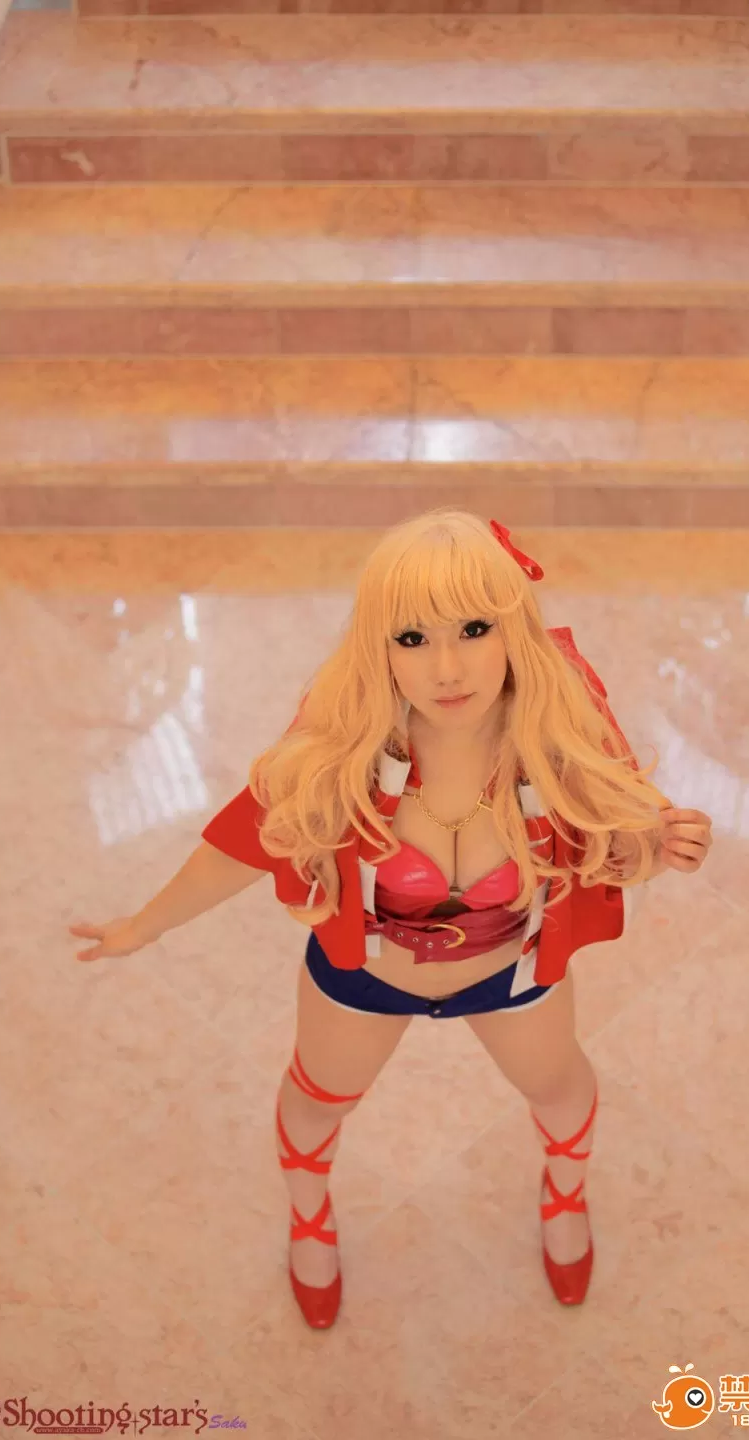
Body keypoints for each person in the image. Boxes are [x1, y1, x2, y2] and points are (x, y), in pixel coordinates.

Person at [67, 509, 713, 1332]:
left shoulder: (562, 732)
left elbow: (613, 851)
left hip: (512, 972)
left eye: (473, 629)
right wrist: (144, 925)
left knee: (560, 1087)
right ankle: (309, 1215)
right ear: (379, 646)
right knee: (316, 1100)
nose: (446, 668)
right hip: (364, 977)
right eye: (412, 638)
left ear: (514, 625)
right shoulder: (343, 741)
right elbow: (243, 843)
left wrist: (660, 849)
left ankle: (565, 1195)